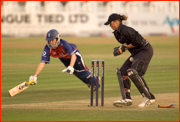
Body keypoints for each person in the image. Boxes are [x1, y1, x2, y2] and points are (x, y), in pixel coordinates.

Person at [104, 13, 155, 107]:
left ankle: (149, 97)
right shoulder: (116, 33)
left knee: (133, 72)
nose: (110, 26)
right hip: (136, 52)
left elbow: (138, 42)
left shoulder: (126, 30)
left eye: (110, 23)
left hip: (144, 50)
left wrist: (124, 48)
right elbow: (127, 43)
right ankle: (126, 98)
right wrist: (121, 48)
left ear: (116, 22)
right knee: (123, 71)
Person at [29, 29, 99, 91]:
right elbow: (43, 62)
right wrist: (35, 75)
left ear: (57, 38)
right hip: (64, 59)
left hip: (75, 56)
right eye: (49, 41)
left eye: (52, 40)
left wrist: (71, 66)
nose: (51, 42)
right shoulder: (47, 48)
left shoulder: (64, 43)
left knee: (83, 72)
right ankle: (89, 82)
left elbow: (73, 55)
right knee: (74, 72)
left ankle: (96, 81)